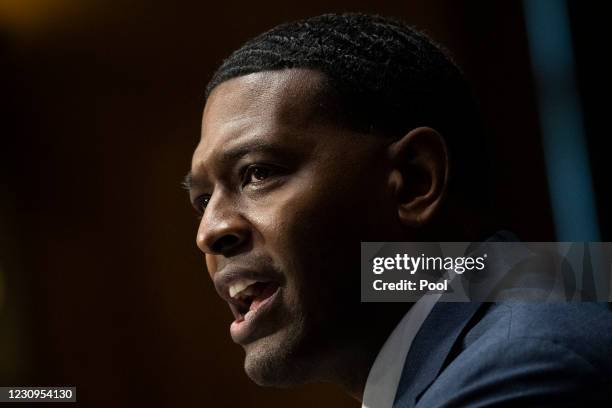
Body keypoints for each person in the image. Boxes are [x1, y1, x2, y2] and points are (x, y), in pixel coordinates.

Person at [184, 13, 612, 407]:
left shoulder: (522, 369)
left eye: (257, 173)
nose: (210, 230)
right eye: (202, 199)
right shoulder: (525, 313)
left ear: (414, 181)